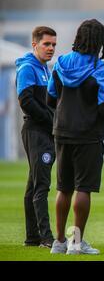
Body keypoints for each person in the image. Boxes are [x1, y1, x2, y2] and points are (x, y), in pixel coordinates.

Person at [47, 19, 104, 255]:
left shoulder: (61, 63)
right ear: (100, 42)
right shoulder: (101, 69)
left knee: (63, 188)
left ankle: (58, 242)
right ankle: (76, 243)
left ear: (79, 38)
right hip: (88, 135)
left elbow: (50, 99)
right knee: (83, 188)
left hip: (62, 132)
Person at [15, 26, 57, 248]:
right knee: (42, 186)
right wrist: (52, 122)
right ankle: (46, 237)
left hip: (43, 132)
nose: (51, 48)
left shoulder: (44, 68)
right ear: (35, 45)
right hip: (36, 131)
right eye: (46, 44)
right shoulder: (28, 68)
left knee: (33, 185)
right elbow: (26, 101)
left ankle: (32, 237)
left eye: (53, 45)